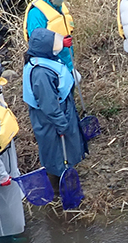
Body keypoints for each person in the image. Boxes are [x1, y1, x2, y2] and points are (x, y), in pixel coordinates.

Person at [22, 28, 88, 196]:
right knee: (55, 152)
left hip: (62, 110)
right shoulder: (41, 73)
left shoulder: (45, 59)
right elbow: (49, 106)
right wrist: (62, 124)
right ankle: (58, 189)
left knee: (63, 149)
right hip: (49, 120)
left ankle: (63, 179)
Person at [0, 63, 25, 243]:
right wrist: (2, 175)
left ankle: (11, 232)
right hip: (0, 166)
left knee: (9, 200)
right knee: (2, 205)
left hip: (6, 156)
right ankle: (7, 239)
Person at [23, 0, 74, 71]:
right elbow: (37, 43)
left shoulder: (58, 6)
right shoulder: (35, 14)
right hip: (50, 64)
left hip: (66, 60)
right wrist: (61, 43)